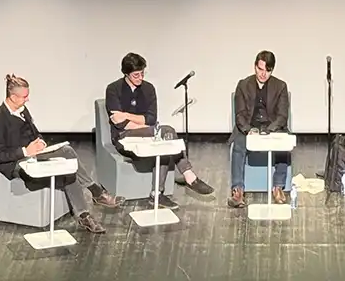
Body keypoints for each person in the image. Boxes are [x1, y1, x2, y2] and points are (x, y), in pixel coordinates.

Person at [0, 73, 123, 234]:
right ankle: (87, 209)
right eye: (24, 97)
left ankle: (93, 197)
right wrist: (25, 151)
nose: (27, 99)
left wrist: (40, 142)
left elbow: (35, 133)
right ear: (12, 97)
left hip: (33, 154)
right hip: (16, 164)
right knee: (68, 173)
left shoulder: (23, 110)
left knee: (67, 152)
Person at [105, 52, 213, 209]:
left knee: (165, 139)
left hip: (148, 133)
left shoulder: (148, 89)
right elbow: (120, 124)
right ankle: (189, 176)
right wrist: (145, 126)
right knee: (166, 131)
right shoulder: (113, 89)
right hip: (123, 138)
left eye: (142, 73)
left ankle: (157, 194)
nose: (140, 78)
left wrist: (127, 115)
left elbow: (150, 119)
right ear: (126, 74)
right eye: (136, 75)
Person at [227, 50, 290, 209]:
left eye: (267, 71)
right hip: (249, 127)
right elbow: (240, 115)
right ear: (255, 66)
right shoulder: (243, 85)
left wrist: (269, 130)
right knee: (239, 144)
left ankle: (278, 187)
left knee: (283, 144)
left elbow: (282, 116)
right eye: (260, 69)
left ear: (272, 70)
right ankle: (238, 191)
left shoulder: (280, 86)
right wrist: (249, 130)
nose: (263, 74)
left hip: (272, 127)